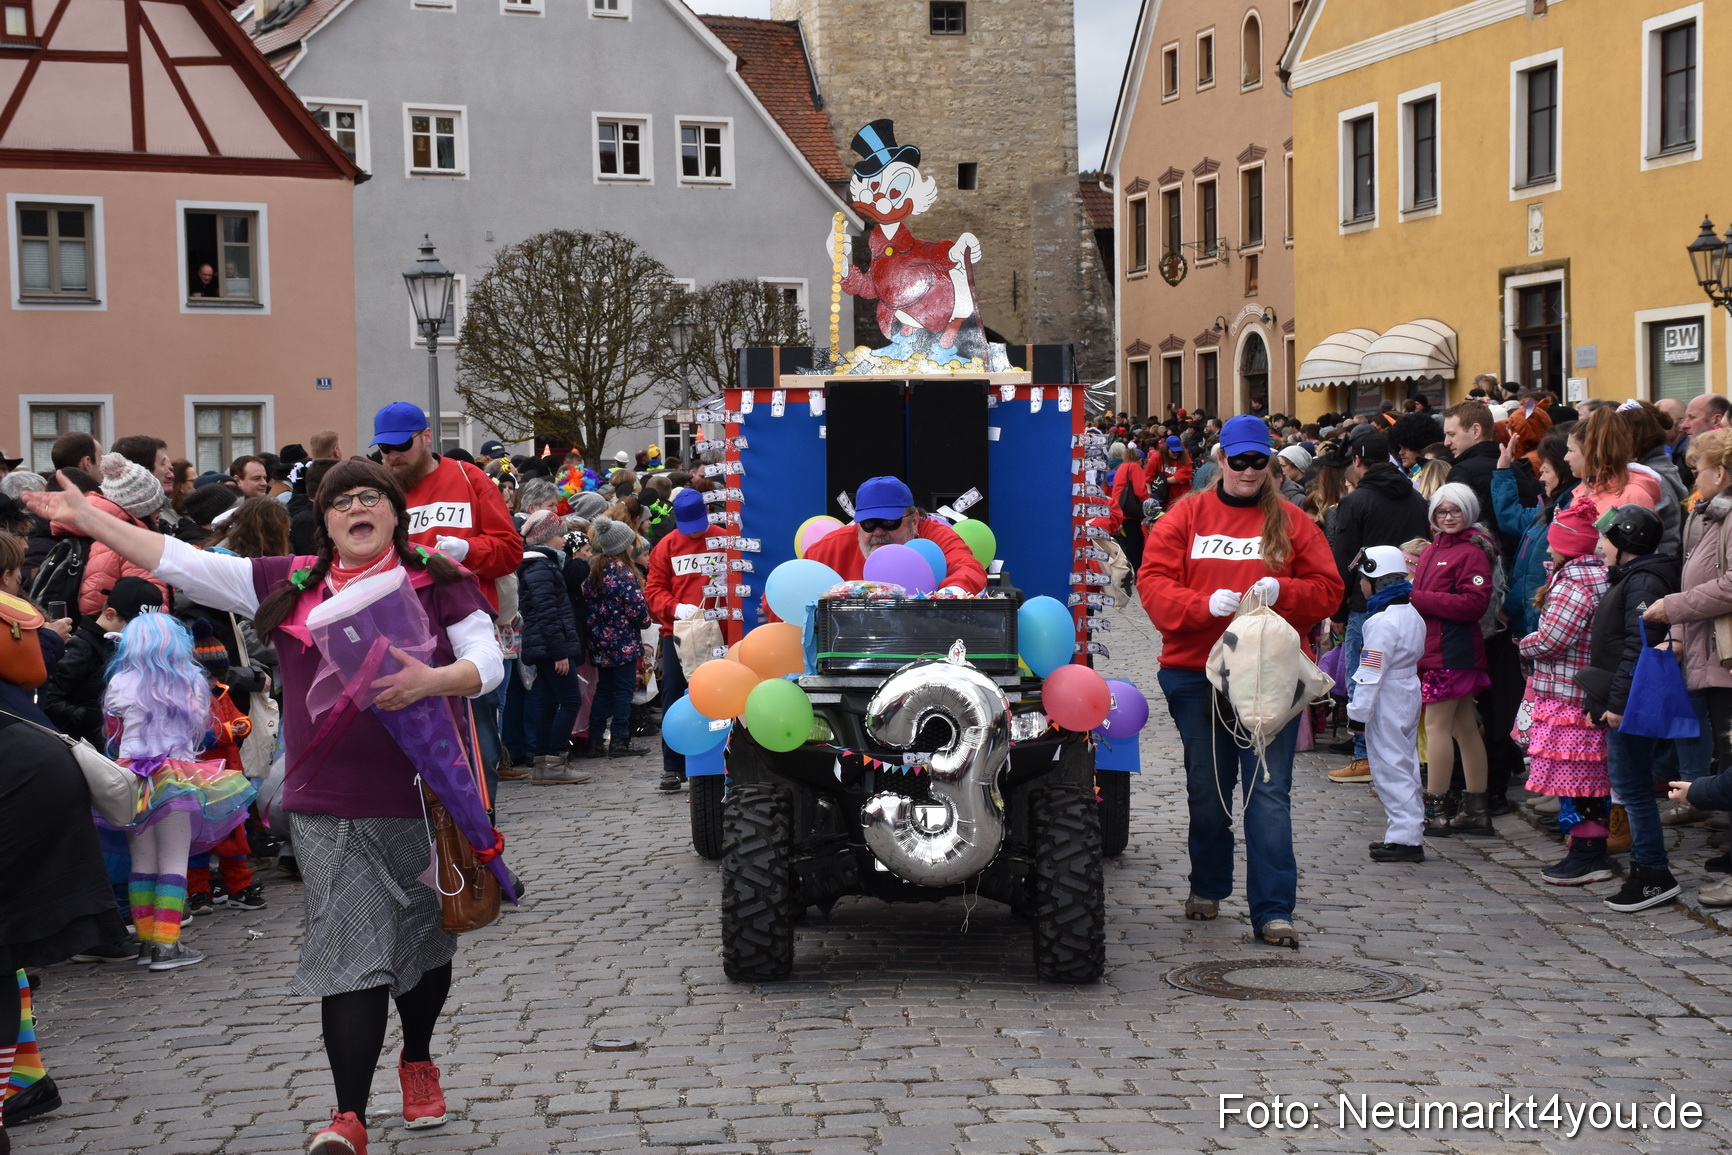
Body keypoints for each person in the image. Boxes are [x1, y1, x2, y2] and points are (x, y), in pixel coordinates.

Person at [22, 459, 503, 1152]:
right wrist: (91, 518)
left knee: (425, 943)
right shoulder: (286, 582)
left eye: (371, 496)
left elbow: (486, 662)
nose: (357, 507)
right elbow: (177, 561)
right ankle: (349, 1117)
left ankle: (418, 1055)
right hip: (327, 804)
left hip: (425, 798)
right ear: (325, 519)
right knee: (351, 950)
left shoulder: (438, 580)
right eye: (342, 500)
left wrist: (435, 679)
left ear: (395, 513)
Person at [1139, 414, 1344, 949]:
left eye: (1259, 461)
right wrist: (1202, 604)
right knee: (1207, 791)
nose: (1249, 471)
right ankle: (1208, 884)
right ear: (1220, 460)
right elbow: (1153, 584)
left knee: (1268, 792)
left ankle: (1274, 910)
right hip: (1195, 673)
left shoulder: (1293, 521)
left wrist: (1285, 591)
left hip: (1271, 675)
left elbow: (1329, 589)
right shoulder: (1186, 516)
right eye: (1239, 461)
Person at [100, 612, 257, 970]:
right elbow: (198, 730)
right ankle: (167, 945)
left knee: (142, 862)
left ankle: (147, 942)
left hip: (132, 777)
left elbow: (114, 729)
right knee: (173, 860)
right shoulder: (190, 681)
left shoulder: (120, 681)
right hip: (177, 776)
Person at [1579, 504, 1681, 913]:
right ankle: (1649, 871)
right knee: (1630, 785)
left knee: (1633, 788)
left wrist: (1619, 703)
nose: (1600, 546)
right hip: (1624, 698)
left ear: (1626, 540)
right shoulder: (1633, 577)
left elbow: (1639, 647)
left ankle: (1652, 874)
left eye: (1605, 539)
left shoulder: (1643, 581)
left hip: (1633, 703)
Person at [1324, 433, 1429, 785]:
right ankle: (1395, 753)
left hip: (1364, 602)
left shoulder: (1355, 502)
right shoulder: (1416, 498)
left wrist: (1337, 610)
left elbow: (1345, 559)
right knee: (1402, 679)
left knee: (1363, 677)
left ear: (1357, 462)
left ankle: (1364, 756)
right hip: (1409, 599)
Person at [1519, 505, 1612, 886]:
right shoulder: (1590, 574)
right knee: (1582, 778)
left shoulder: (1575, 584)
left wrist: (1525, 643)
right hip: (1577, 692)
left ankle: (1589, 854)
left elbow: (1553, 639)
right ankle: (1583, 846)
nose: (1547, 549)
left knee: (1581, 779)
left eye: (1553, 543)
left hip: (1570, 694)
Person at [1644, 429, 1732, 827]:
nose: (1694, 478)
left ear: (1721, 473)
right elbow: (1693, 576)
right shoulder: (1709, 513)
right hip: (1710, 651)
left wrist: (1674, 608)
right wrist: (1678, 630)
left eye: (1699, 470)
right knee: (1724, 751)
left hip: (1725, 655)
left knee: (1729, 751)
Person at [1410, 483, 1496, 837]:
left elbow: (1475, 604)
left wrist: (1418, 598)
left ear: (1468, 511)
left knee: (1437, 728)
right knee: (1463, 729)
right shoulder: (1434, 548)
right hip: (1438, 649)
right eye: (1441, 511)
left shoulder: (1471, 552)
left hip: (1451, 651)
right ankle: (1476, 809)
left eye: (1455, 510)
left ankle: (1436, 811)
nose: (1448, 517)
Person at [1345, 547, 1426, 863]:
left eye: (1364, 580)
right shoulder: (1411, 613)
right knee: (1405, 760)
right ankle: (1408, 829)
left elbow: (1370, 673)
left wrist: (1358, 714)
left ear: (1376, 581)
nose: (1361, 586)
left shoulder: (1381, 622)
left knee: (1390, 765)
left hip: (1387, 695)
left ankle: (1405, 836)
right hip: (1408, 688)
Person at [644, 489, 727, 792]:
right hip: (679, 633)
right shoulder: (666, 546)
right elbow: (654, 589)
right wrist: (675, 607)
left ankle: (723, 757)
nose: (694, 534)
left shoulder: (724, 539)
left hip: (721, 631)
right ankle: (672, 765)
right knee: (674, 694)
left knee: (721, 694)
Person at [804, 476, 987, 591]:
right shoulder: (833, 547)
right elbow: (797, 582)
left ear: (914, 521)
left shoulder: (935, 536)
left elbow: (969, 569)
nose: (878, 531)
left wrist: (949, 595)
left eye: (889, 521)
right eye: (868, 523)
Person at [516, 510, 590, 785]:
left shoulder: (543, 565)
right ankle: (555, 760)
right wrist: (560, 652)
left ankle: (542, 763)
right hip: (550, 647)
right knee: (570, 700)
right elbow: (547, 613)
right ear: (547, 538)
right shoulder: (541, 568)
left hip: (546, 645)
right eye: (560, 535)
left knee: (548, 703)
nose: (564, 540)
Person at [584, 515, 652, 760]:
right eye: (630, 543)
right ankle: (620, 739)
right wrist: (645, 622)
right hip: (623, 641)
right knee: (624, 691)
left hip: (599, 641)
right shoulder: (623, 573)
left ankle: (594, 739)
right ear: (623, 547)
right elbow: (636, 608)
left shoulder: (594, 570)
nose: (633, 547)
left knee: (604, 690)